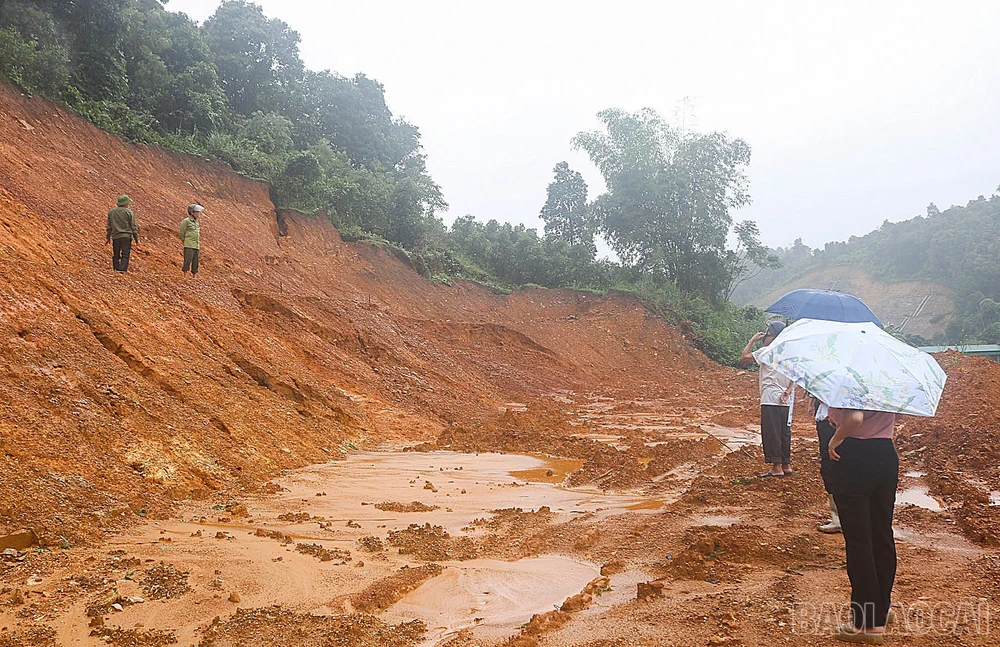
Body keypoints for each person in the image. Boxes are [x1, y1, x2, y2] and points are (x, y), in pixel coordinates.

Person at [827, 407, 898, 644]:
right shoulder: (888, 375)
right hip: (885, 453)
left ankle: (868, 624)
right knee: (882, 534)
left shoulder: (849, 374)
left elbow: (855, 418)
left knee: (859, 541)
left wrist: (836, 439)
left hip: (855, 454)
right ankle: (882, 609)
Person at [740, 320, 795, 477]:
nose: (764, 337)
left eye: (767, 333)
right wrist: (789, 390)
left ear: (773, 336)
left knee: (772, 432)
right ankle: (786, 465)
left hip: (770, 397)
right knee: (784, 431)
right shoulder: (789, 354)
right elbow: (795, 374)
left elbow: (744, 358)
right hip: (786, 398)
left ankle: (776, 468)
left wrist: (752, 340)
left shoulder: (767, 351)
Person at [812, 396, 842, 533]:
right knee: (830, 467)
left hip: (832, 424)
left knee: (831, 467)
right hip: (828, 421)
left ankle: (839, 519)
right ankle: (838, 517)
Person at [106, 195, 139, 273]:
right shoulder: (129, 212)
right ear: (126, 203)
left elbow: (109, 226)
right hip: (126, 237)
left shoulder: (111, 212)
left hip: (115, 236)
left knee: (116, 253)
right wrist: (137, 239)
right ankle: (122, 270)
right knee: (125, 254)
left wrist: (108, 238)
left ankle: (115, 268)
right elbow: (133, 226)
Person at [179, 204, 203, 277]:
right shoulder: (186, 221)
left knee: (196, 261)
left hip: (196, 245)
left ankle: (194, 275)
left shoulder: (196, 222)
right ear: (192, 212)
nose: (198, 214)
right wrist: (185, 241)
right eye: (197, 212)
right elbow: (182, 234)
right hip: (189, 244)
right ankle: (185, 275)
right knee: (187, 260)